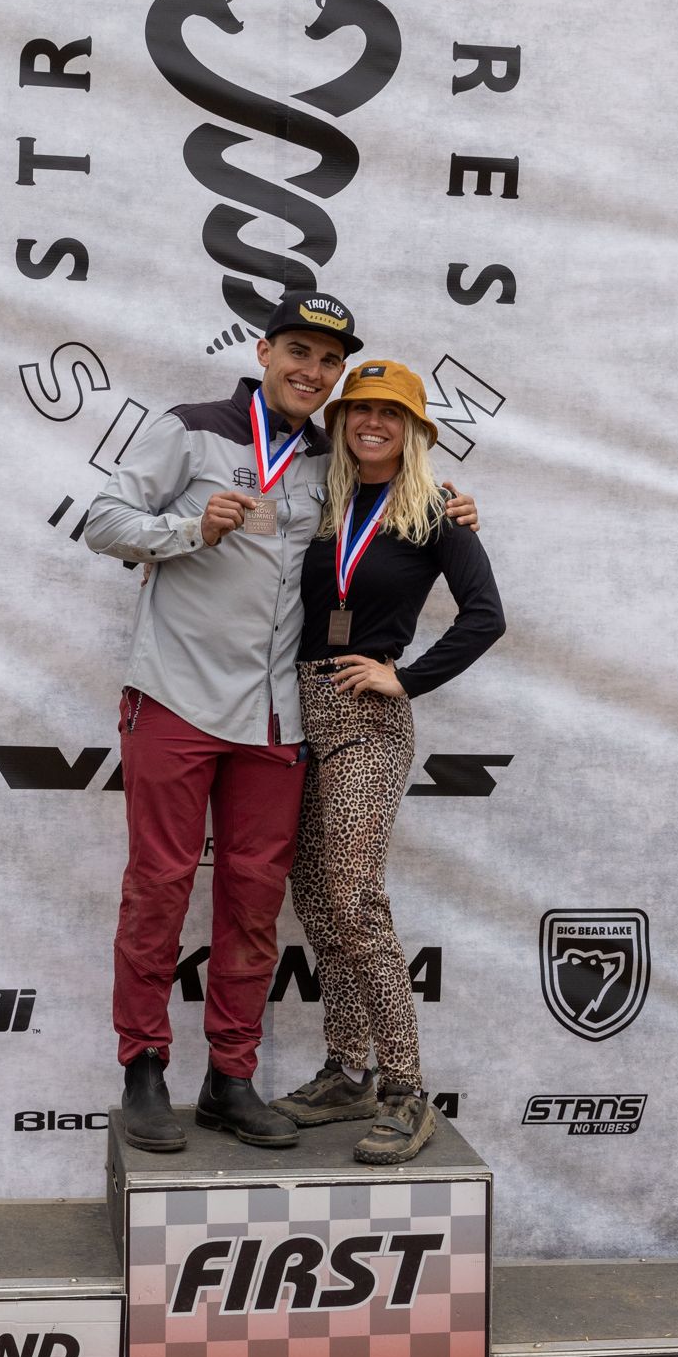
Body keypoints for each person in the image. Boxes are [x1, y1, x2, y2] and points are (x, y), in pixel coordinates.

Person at [83, 294, 477, 1153]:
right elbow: (101, 521)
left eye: (328, 362)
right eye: (297, 350)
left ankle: (231, 1076)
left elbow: (392, 494)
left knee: (255, 903)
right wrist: (189, 528)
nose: (312, 371)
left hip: (276, 715)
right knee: (158, 885)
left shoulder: (327, 456)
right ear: (263, 350)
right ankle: (144, 1067)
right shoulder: (191, 429)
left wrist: (453, 510)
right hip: (178, 697)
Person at [272, 359, 505, 1164]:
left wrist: (402, 679)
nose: (372, 422)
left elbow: (485, 618)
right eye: (359, 409)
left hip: (367, 720)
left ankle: (406, 1090)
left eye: (390, 412)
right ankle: (345, 1071)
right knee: (315, 898)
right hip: (290, 710)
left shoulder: (436, 511)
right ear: (341, 423)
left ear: (414, 430)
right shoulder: (319, 497)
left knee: (353, 895)